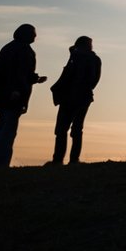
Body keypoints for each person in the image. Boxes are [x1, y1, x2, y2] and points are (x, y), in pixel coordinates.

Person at [0, 23, 47, 167]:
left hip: (3, 93)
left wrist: (35, 79)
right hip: (13, 94)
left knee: (1, 127)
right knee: (8, 129)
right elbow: (18, 73)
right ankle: (0, 162)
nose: (35, 36)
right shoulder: (23, 50)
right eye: (33, 33)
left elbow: (19, 72)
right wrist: (16, 90)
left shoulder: (9, 48)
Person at [47, 35, 102, 165]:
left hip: (71, 97)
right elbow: (95, 79)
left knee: (63, 129)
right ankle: (72, 159)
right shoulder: (92, 59)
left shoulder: (77, 57)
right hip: (82, 97)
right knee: (74, 129)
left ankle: (59, 159)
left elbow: (69, 76)